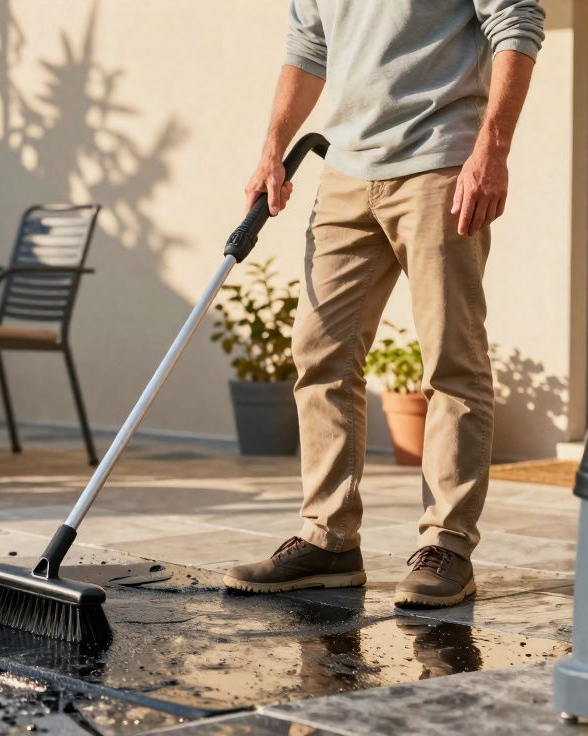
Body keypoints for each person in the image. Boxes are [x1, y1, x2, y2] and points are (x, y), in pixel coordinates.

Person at [222, 0, 544, 608]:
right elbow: (308, 47)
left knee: (453, 358)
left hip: (441, 160)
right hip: (343, 172)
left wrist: (491, 148)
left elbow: (517, 22)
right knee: (320, 353)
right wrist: (272, 144)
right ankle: (328, 538)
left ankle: (447, 544)